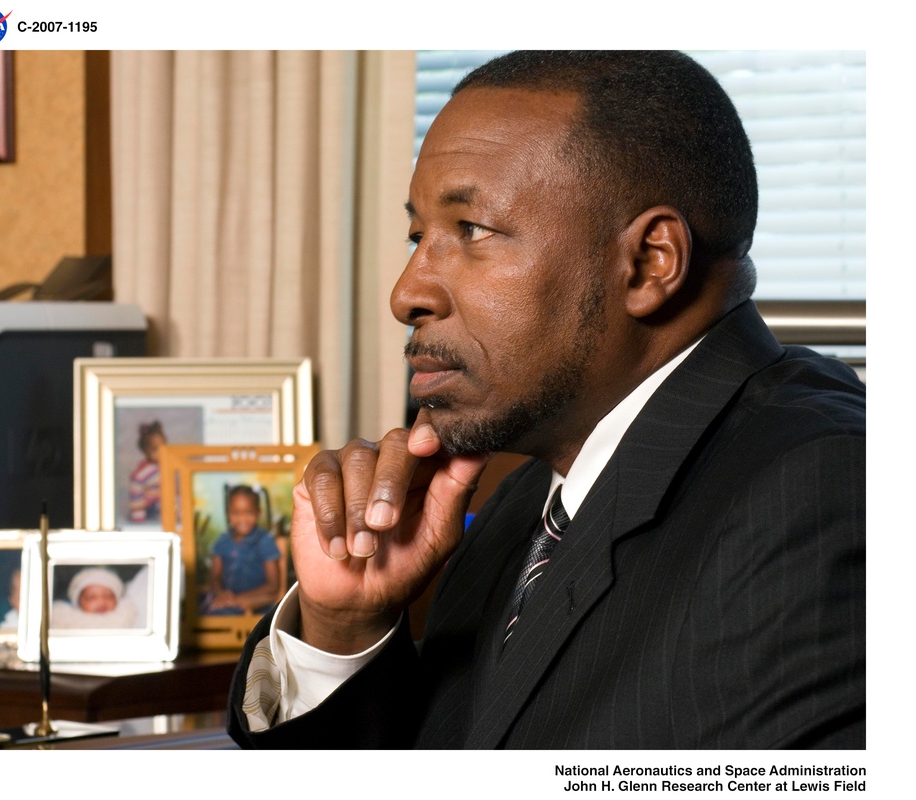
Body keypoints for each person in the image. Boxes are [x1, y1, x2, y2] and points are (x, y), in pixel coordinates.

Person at [227, 51, 865, 749]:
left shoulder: (822, 491)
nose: (407, 293)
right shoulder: (527, 495)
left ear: (652, 263)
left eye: (471, 231)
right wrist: (342, 626)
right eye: (418, 236)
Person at [202, 486, 282, 615]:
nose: (242, 519)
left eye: (249, 513)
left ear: (258, 513)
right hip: (225, 601)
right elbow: (214, 578)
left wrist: (239, 599)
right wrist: (221, 593)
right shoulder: (223, 541)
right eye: (236, 513)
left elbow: (273, 585)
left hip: (255, 603)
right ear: (229, 513)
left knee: (221, 614)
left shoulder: (264, 541)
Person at [51, 566, 140, 629]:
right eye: (91, 597)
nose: (101, 602)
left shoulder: (124, 616)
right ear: (78, 602)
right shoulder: (65, 620)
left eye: (108, 596)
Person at [129, 421, 166, 524]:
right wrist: (138, 518)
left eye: (163, 447)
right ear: (144, 451)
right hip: (151, 508)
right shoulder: (141, 474)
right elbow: (136, 494)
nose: (161, 452)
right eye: (155, 449)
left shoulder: (165, 466)